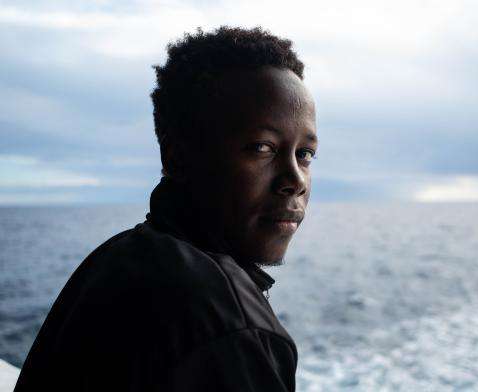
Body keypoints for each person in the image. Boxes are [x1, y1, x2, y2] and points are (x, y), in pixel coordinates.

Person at [14, 25, 318, 391]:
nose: (295, 179)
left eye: (305, 154)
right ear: (178, 157)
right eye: (261, 147)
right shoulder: (228, 327)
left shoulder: (117, 257)